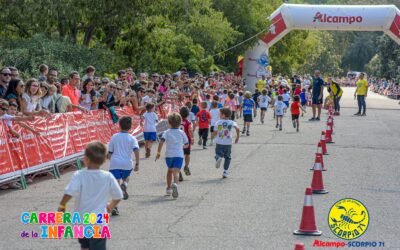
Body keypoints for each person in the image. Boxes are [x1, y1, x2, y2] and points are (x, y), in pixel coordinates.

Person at [58, 141, 123, 250]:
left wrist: (62, 205)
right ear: (105, 159)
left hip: (81, 222)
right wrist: (110, 207)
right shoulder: (108, 176)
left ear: (86, 159)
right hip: (99, 224)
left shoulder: (79, 175)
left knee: (84, 246)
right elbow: (118, 195)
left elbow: (69, 193)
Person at [108, 116, 140, 215]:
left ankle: (114, 207)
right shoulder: (132, 138)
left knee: (115, 186)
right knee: (126, 177)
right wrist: (137, 163)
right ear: (130, 127)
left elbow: (110, 152)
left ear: (119, 126)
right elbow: (136, 150)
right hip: (127, 163)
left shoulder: (114, 137)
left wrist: (109, 158)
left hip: (115, 163)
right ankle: (125, 184)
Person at [155, 112, 189, 198]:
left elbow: (161, 142)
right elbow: (187, 144)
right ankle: (175, 184)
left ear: (169, 123)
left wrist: (158, 153)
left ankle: (168, 188)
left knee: (169, 171)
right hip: (179, 155)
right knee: (176, 172)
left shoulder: (166, 132)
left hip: (169, 155)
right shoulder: (181, 132)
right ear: (180, 122)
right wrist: (182, 146)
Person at [212, 108, 240, 178]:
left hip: (219, 142)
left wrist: (212, 136)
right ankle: (225, 172)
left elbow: (215, 132)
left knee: (218, 154)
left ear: (224, 115)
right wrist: (237, 137)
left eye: (220, 114)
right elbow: (238, 129)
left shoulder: (218, 122)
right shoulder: (232, 122)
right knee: (228, 157)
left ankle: (218, 157)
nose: (219, 115)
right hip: (228, 143)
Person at [179, 106, 194, 181]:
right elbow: (190, 130)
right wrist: (192, 137)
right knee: (187, 154)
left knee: (180, 156)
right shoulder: (188, 122)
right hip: (186, 141)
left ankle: (178, 171)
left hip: (178, 141)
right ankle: (186, 166)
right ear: (188, 114)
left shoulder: (177, 121)